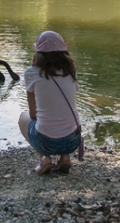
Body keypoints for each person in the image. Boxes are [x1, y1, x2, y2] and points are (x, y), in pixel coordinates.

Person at [18, 30, 82, 175]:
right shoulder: (70, 71)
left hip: (47, 142)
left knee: (23, 117)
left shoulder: (31, 73)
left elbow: (33, 114)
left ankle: (44, 159)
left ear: (38, 52)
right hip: (73, 140)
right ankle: (65, 157)